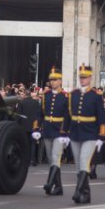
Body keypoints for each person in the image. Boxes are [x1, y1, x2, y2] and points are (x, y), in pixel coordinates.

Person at [68, 64, 105, 204]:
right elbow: (69, 115)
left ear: (90, 78)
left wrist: (101, 136)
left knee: (85, 161)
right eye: (81, 77)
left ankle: (77, 192)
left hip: (90, 134)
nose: (82, 80)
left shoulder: (95, 96)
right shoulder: (73, 94)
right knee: (78, 164)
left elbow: (102, 117)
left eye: (85, 77)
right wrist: (64, 133)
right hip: (75, 133)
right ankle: (86, 193)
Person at [40, 68, 70, 196]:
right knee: (50, 158)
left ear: (60, 81)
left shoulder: (65, 96)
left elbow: (68, 116)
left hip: (59, 131)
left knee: (56, 158)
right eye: (51, 80)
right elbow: (40, 113)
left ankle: (49, 183)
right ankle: (59, 187)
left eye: (55, 80)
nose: (53, 82)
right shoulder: (46, 95)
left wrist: (66, 133)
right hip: (47, 130)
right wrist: (36, 128)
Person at [17, 86, 42, 167]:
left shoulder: (21, 102)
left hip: (23, 126)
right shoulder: (36, 102)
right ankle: (33, 160)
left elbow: (19, 116)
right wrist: (38, 125)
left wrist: (17, 124)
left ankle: (26, 160)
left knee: (25, 144)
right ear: (30, 94)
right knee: (33, 144)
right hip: (33, 126)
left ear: (25, 94)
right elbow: (39, 115)